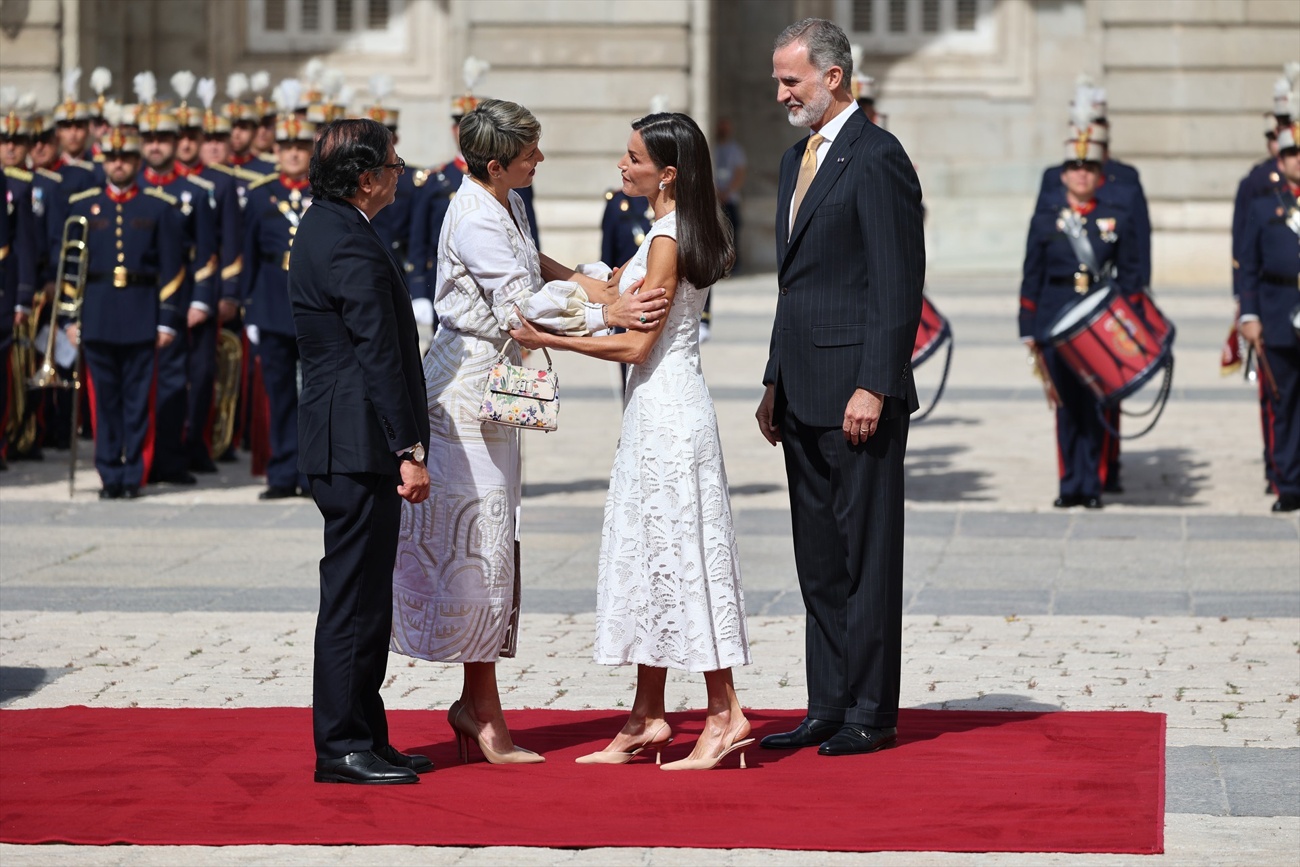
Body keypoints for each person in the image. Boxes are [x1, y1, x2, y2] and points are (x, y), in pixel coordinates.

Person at [391, 98, 665, 765]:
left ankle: (478, 703)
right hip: (462, 393)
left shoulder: (502, 200)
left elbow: (532, 261)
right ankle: (481, 710)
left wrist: (588, 283)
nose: (539, 160)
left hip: (493, 383)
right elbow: (520, 307)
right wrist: (608, 308)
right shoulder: (474, 214)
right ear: (494, 163)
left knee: (496, 537)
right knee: (479, 543)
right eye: (529, 154)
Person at [511, 111, 752, 771]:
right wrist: (528, 254)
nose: (622, 165)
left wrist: (549, 339)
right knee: (653, 559)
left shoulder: (671, 239)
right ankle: (647, 715)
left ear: (667, 172)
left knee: (685, 559)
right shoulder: (664, 230)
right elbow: (610, 289)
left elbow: (637, 342)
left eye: (633, 157)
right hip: (653, 415)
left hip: (671, 414)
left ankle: (726, 712)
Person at [755, 19, 925, 757]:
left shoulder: (878, 156)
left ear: (833, 76)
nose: (781, 91)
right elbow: (795, 286)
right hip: (801, 391)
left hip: (858, 397)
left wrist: (874, 385)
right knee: (818, 560)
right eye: (777, 79)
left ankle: (869, 709)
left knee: (866, 560)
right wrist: (773, 381)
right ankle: (826, 700)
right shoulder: (796, 160)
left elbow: (897, 284)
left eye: (791, 79)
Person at [287, 117, 432, 785]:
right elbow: (376, 350)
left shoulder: (334, 225)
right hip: (356, 441)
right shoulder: (343, 236)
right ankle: (341, 743)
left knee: (367, 596)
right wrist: (407, 445)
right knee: (352, 598)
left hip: (349, 436)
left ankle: (366, 732)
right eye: (394, 165)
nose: (401, 174)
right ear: (367, 178)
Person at [1019, 128, 1141, 510]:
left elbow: (1132, 274)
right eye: (1074, 166)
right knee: (1065, 407)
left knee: (1095, 406)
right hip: (1056, 323)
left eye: (1089, 166)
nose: (1082, 173)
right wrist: (1029, 328)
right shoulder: (1045, 221)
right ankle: (1069, 483)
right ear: (1064, 174)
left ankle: (1092, 484)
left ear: (1098, 173)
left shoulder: (1115, 218)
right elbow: (1032, 276)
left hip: (1098, 325)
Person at [63, 125, 185, 499]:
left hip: (140, 312)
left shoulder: (157, 208)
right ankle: (108, 474)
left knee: (136, 401)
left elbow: (172, 269)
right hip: (97, 313)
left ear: (136, 161)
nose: (118, 164)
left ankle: (133, 473)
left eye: (125, 158)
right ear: (103, 163)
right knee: (104, 402)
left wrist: (166, 318)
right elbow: (70, 267)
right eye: (112, 158)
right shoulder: (82, 207)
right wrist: (70, 317)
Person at [240, 108, 315, 499]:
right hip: (271, 302)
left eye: (301, 147)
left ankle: (311, 474)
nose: (293, 154)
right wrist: (249, 307)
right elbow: (248, 255)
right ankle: (282, 472)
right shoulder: (259, 194)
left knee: (315, 395)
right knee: (279, 394)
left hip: (313, 303)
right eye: (287, 147)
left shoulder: (324, 192)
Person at [1237, 120, 1300, 513]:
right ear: (1280, 158)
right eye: (1293, 154)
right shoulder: (1263, 205)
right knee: (1284, 403)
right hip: (1278, 309)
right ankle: (1289, 484)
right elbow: (1248, 266)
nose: (1299, 161)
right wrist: (1249, 314)